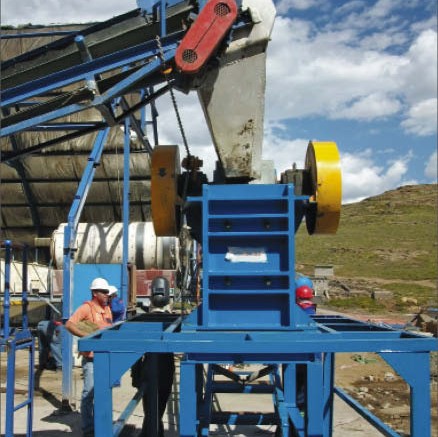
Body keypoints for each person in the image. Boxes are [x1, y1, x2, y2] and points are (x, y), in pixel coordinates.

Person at [65, 277, 113, 437]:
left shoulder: (106, 309)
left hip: (105, 358)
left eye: (107, 292)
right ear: (95, 293)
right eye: (104, 292)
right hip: (92, 359)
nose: (107, 294)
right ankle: (87, 428)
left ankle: (100, 423)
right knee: (89, 393)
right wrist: (86, 335)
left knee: (103, 392)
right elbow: (69, 324)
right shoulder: (86, 308)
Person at [131, 276, 175, 437]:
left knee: (150, 410)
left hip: (147, 371)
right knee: (157, 410)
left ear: (151, 296)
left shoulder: (141, 321)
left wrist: (135, 376)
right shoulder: (174, 321)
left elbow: (136, 352)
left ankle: (152, 433)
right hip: (166, 371)